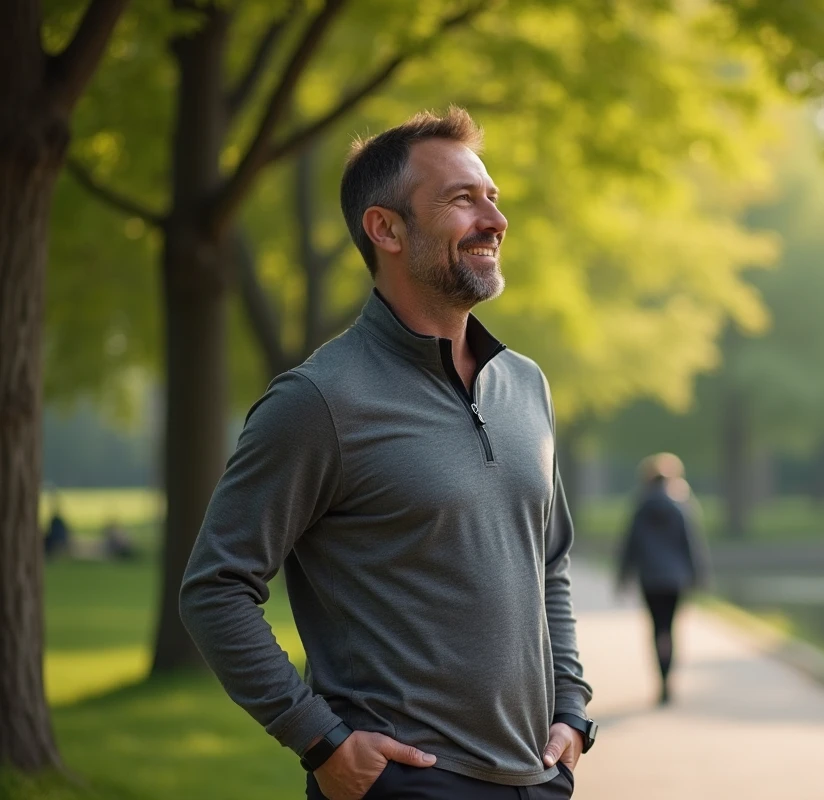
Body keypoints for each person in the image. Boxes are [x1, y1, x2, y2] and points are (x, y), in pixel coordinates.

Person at [180, 107, 594, 800]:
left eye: (492, 197)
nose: (495, 220)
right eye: (463, 199)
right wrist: (319, 738)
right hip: (405, 787)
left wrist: (572, 709)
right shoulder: (318, 401)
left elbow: (547, 559)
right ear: (386, 228)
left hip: (538, 780)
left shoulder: (526, 383)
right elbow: (215, 587)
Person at [616, 453, 709, 706]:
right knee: (671, 629)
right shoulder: (682, 505)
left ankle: (661, 681)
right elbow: (691, 543)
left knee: (657, 629)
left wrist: (622, 577)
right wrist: (699, 575)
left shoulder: (640, 506)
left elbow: (629, 544)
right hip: (676, 578)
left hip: (650, 577)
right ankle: (669, 680)